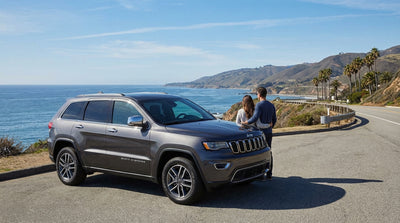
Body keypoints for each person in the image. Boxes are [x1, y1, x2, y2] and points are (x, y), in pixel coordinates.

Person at [242, 87, 276, 179]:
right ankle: (269, 174)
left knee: (261, 153)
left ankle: (261, 174)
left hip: (261, 132)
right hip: (269, 131)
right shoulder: (271, 105)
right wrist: (270, 127)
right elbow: (274, 119)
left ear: (259, 95)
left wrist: (245, 123)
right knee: (269, 151)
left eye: (257, 94)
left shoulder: (259, 105)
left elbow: (255, 118)